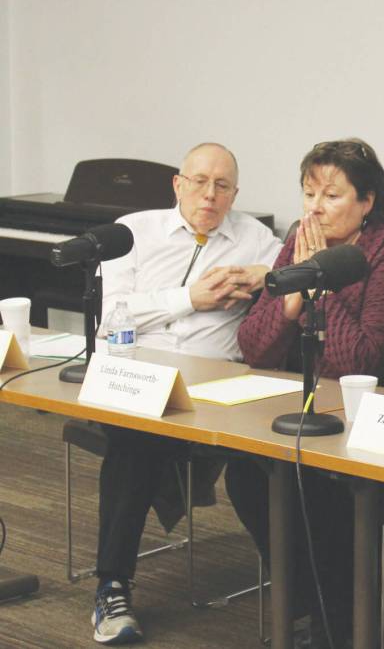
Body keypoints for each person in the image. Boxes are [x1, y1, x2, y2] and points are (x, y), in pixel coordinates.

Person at [225, 138, 384, 647]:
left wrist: (321, 284)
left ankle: (339, 620)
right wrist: (291, 305)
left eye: (332, 196)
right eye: (308, 193)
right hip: (308, 415)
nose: (315, 208)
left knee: (318, 492)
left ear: (368, 202)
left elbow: (358, 363)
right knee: (248, 476)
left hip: (379, 420)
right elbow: (254, 347)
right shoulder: (300, 240)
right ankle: (311, 603)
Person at [92, 142, 282, 644]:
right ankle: (112, 588)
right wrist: (189, 298)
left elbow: (291, 279)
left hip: (216, 392)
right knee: (136, 441)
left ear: (235, 194)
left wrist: (266, 276)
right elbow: (109, 318)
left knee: (263, 458)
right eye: (199, 181)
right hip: (135, 381)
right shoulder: (133, 232)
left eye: (222, 186)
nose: (210, 194)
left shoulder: (257, 239)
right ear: (178, 184)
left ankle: (298, 587)